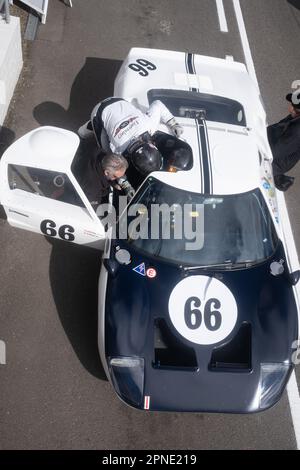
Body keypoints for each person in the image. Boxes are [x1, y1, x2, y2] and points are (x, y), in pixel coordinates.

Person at [78, 97, 184, 175]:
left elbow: (157, 104)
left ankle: (96, 124)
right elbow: (111, 162)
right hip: (99, 111)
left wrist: (173, 123)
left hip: (118, 101)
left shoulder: (149, 126)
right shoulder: (118, 150)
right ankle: (84, 131)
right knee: (104, 149)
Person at [268, 91, 300, 191]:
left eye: (293, 106)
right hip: (273, 146)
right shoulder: (295, 117)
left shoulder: (297, 131)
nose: (289, 108)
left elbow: (275, 152)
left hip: (276, 162)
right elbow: (276, 127)